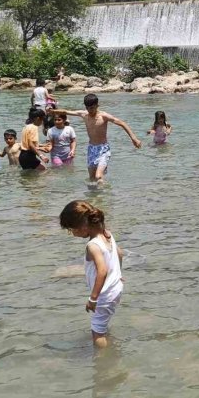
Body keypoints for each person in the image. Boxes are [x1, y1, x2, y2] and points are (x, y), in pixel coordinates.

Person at [59, 200, 124, 348]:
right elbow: (119, 253)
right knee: (102, 324)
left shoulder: (92, 245)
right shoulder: (108, 235)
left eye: (72, 229)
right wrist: (119, 274)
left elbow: (102, 270)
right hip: (116, 288)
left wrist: (93, 299)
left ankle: (103, 363)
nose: (72, 233)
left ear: (83, 227)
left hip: (104, 294)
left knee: (97, 333)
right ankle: (108, 344)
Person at [54, 94, 142, 182]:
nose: (90, 110)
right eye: (88, 108)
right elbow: (65, 112)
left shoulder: (104, 116)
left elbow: (122, 123)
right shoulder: (84, 114)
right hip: (91, 149)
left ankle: (102, 195)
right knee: (92, 178)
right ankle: (95, 195)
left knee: (98, 176)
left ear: (97, 105)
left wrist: (134, 138)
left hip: (103, 149)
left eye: (92, 108)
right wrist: (52, 111)